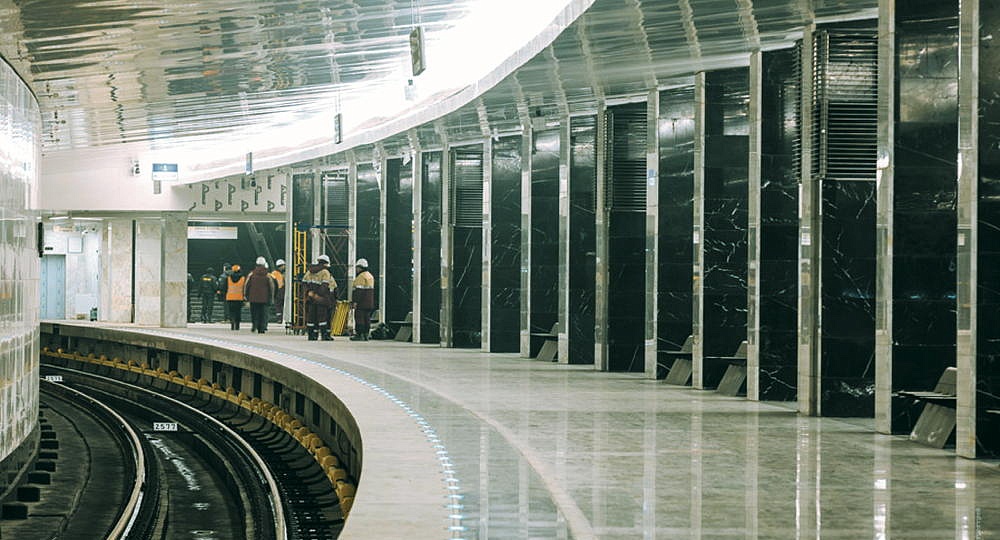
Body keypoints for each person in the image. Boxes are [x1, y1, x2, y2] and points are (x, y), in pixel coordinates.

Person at [302, 254, 336, 341]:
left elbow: (304, 283)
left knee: (311, 317)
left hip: (311, 298)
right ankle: (324, 336)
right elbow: (324, 286)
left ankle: (312, 335)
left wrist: (309, 293)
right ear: (326, 263)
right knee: (323, 317)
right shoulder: (325, 272)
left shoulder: (309, 271)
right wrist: (318, 295)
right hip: (322, 299)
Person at [245, 256, 275, 334]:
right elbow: (272, 287)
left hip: (253, 298)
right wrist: (271, 297)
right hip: (264, 298)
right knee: (263, 313)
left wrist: (246, 295)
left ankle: (254, 325)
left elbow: (246, 285)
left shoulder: (251, 274)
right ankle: (261, 328)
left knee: (254, 313)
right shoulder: (268, 275)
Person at [350, 258, 375, 341]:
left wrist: (355, 302)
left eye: (357, 267)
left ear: (361, 267)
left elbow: (358, 291)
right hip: (369, 302)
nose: (356, 269)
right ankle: (366, 335)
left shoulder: (361, 277)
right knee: (367, 318)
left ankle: (359, 335)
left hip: (361, 303)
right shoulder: (370, 276)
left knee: (359, 318)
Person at [224, 264, 246, 331]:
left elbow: (225, 287)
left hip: (230, 298)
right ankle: (237, 325)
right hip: (239, 298)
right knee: (238, 312)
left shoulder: (228, 278)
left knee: (231, 311)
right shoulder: (243, 278)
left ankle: (232, 323)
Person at [270, 258, 286, 324]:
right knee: (279, 306)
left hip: (280, 291)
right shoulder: (276, 273)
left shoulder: (274, 273)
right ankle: (280, 319)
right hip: (279, 291)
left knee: (279, 306)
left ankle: (281, 319)